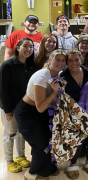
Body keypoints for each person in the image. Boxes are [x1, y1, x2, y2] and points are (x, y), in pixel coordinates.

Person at [15, 50, 67, 180]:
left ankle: (47, 168)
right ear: (50, 60)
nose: (60, 63)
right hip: (27, 113)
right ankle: (33, 173)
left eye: (63, 60)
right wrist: (55, 93)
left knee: (49, 140)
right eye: (57, 59)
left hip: (40, 113)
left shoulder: (58, 74)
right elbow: (40, 107)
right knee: (40, 143)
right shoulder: (42, 76)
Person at [60, 49, 88, 179]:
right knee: (78, 141)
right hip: (72, 115)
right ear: (66, 62)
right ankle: (73, 163)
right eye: (70, 60)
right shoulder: (63, 76)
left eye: (76, 59)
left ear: (81, 60)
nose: (73, 63)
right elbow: (62, 99)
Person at [0, 38, 36, 173]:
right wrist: (8, 110)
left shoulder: (31, 65)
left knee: (21, 133)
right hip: (9, 106)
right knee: (10, 133)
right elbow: (2, 89)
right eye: (25, 46)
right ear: (18, 47)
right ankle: (9, 160)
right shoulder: (7, 65)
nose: (28, 49)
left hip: (24, 107)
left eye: (31, 47)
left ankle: (21, 156)